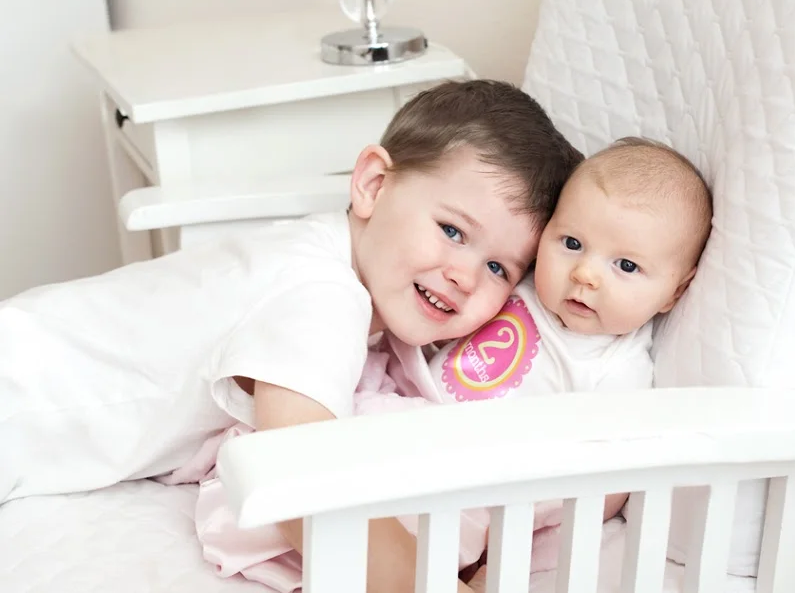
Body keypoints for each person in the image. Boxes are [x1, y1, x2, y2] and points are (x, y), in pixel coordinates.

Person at [0, 79, 583, 593]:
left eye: (499, 268)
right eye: (452, 230)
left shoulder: (330, 261)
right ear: (373, 184)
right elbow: (303, 482)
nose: (465, 276)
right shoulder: (320, 293)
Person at [188, 136, 713, 591]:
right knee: (328, 426)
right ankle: (280, 496)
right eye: (572, 243)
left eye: (626, 266)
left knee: (421, 519)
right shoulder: (517, 285)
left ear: (674, 291)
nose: (586, 275)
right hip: (402, 404)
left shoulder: (619, 369)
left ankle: (342, 551)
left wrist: (513, 550)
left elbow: (600, 489)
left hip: (469, 474)